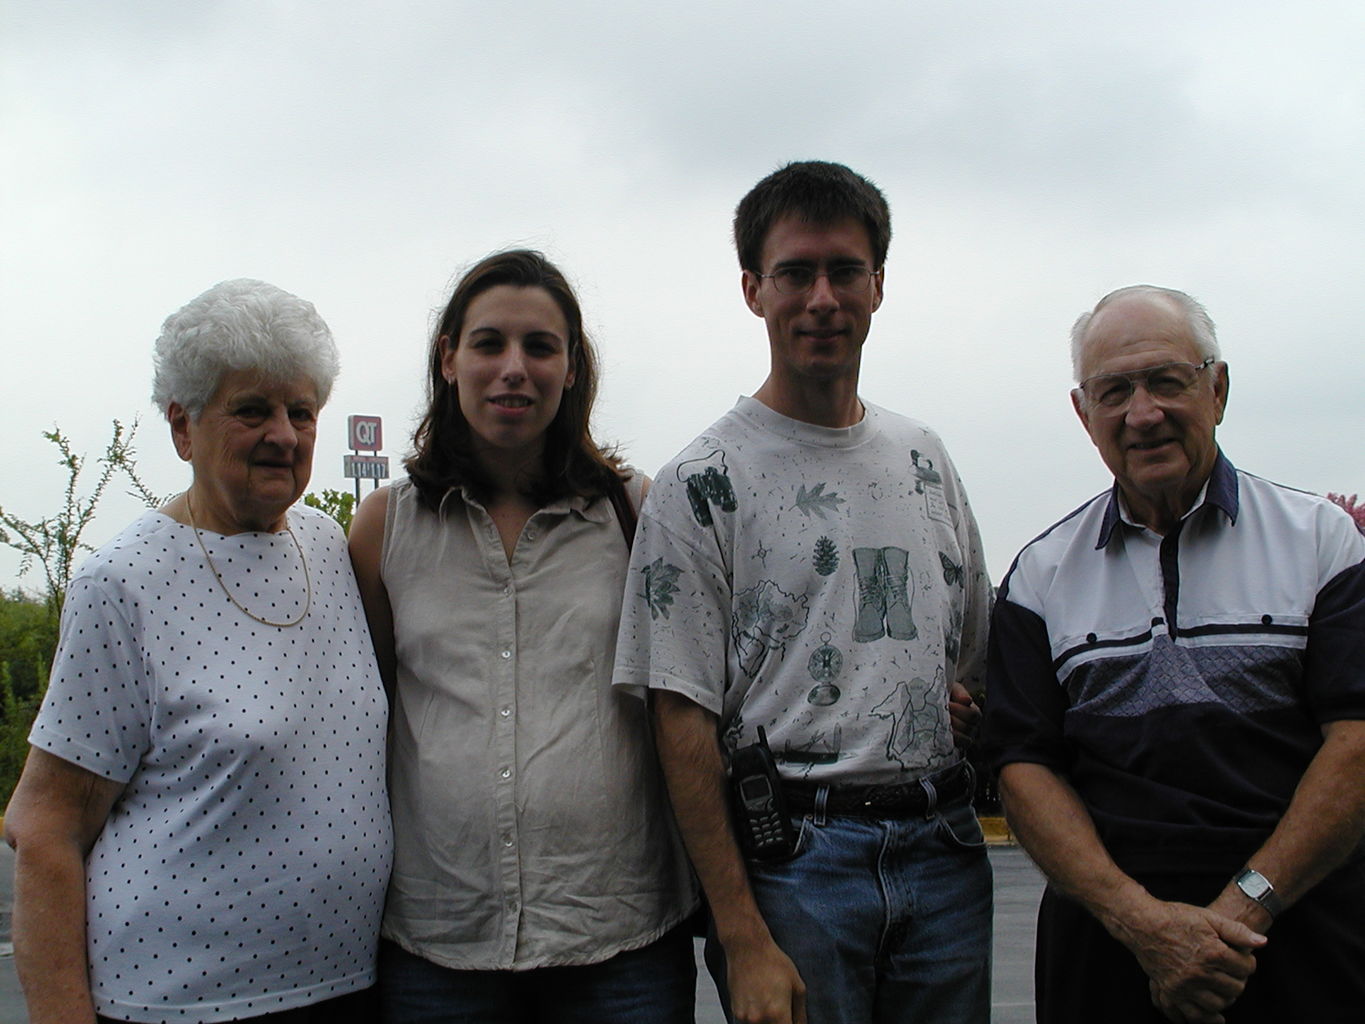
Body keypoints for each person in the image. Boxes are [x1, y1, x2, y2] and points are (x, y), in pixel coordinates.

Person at [612, 161, 994, 1024]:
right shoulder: (701, 481)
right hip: (794, 865)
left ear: (878, 285)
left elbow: (964, 654)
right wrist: (742, 935)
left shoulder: (925, 458)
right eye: (794, 273)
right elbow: (678, 720)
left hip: (946, 853)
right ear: (752, 289)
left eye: (844, 271)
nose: (821, 297)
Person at [3, 279, 392, 1024]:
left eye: (301, 411)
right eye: (252, 410)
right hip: (183, 1002)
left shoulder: (329, 547)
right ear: (183, 426)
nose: (284, 433)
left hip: (353, 986)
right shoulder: (123, 584)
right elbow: (47, 824)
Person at [983, 284, 1365, 1023]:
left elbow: (1355, 743)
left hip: (1305, 944)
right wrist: (1144, 925)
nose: (1142, 413)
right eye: (1114, 391)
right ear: (1082, 414)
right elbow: (1023, 768)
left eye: (1165, 381)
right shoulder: (1039, 575)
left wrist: (1238, 914)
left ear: (1216, 388)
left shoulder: (1322, 543)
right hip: (1108, 955)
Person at [347, 249, 697, 1024]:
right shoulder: (384, 528)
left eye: (540, 347)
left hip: (621, 945)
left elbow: (691, 697)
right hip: (439, 946)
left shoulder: (636, 514)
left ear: (572, 368)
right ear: (448, 359)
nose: (514, 368)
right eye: (488, 344)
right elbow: (365, 719)